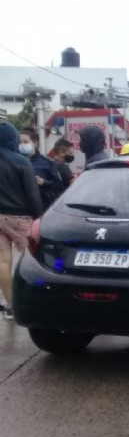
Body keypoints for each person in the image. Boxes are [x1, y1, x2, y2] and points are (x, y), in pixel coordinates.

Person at [0, 122, 42, 320]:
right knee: (33, 261)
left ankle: (12, 307)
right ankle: (35, 305)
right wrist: (38, 216)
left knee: (2, 262)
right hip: (20, 218)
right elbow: (32, 194)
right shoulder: (21, 161)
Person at [19, 128, 64, 210]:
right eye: (19, 143)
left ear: (35, 143)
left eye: (25, 142)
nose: (22, 145)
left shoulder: (48, 163)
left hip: (42, 206)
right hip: (20, 208)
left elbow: (59, 186)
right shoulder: (14, 162)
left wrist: (44, 182)